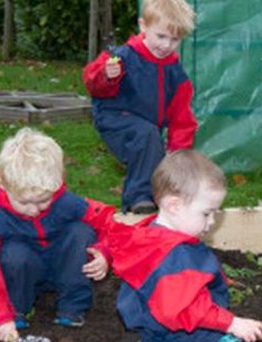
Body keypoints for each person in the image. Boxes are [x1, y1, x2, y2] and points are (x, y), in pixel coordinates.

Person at [108, 150, 262, 342]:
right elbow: (184, 308)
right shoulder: (177, 256)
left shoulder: (152, 234)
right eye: (206, 213)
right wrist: (231, 323)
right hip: (177, 333)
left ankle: (145, 339)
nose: (212, 221)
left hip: (154, 324)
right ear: (174, 205)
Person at [0, 128, 117, 342]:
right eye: (25, 203)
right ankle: (16, 311)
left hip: (62, 268)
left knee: (81, 232)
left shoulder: (66, 202)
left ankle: (72, 308)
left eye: (44, 201)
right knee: (14, 253)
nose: (35, 210)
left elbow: (110, 224)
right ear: (2, 184)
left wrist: (104, 252)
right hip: (24, 273)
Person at [83, 0, 198, 215]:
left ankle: (148, 207)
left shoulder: (176, 74)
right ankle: (139, 198)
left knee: (157, 153)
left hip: (148, 129)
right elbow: (91, 81)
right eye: (161, 36)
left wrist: (178, 151)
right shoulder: (123, 57)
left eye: (175, 40)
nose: (166, 45)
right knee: (146, 137)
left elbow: (182, 117)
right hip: (113, 117)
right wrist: (106, 76)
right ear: (143, 26)